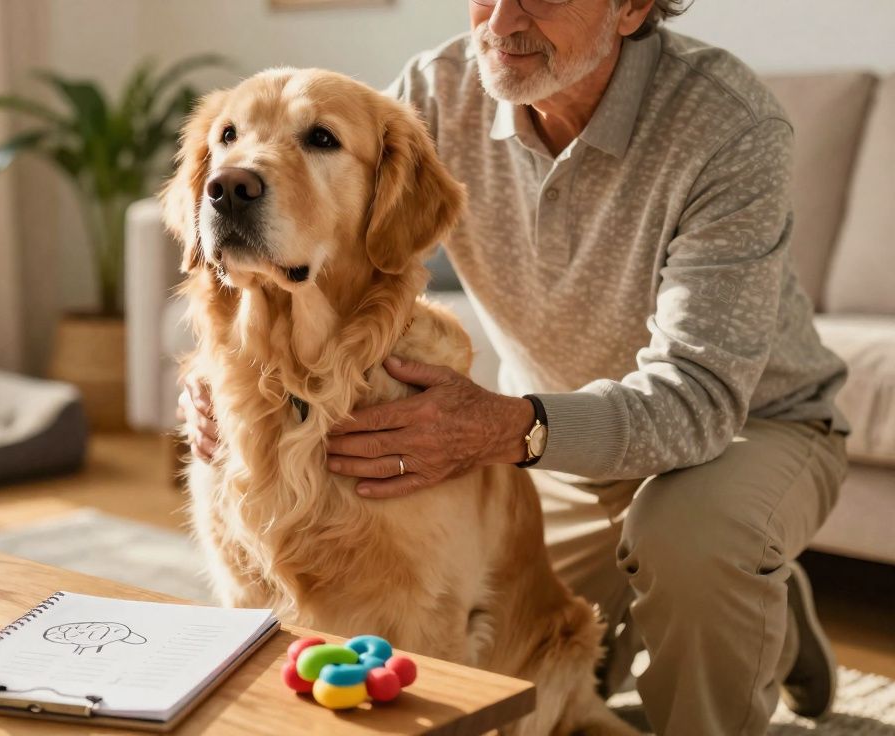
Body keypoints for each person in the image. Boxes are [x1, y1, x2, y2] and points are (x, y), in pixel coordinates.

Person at [178, 1, 852, 734]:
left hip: (748, 426)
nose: (500, 21)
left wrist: (506, 426)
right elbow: (332, 230)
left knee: (688, 547)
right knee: (524, 625)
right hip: (564, 441)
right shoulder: (439, 91)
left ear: (630, 8)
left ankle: (735, 573)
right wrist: (217, 377)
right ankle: (756, 608)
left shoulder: (729, 127)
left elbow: (700, 399)